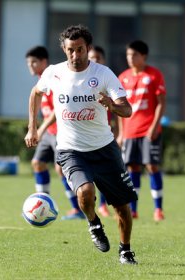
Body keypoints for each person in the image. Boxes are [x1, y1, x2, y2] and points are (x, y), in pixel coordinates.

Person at [24, 25, 138, 265]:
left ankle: (125, 250)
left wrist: (111, 104)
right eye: (70, 50)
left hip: (104, 148)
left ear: (88, 49)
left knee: (121, 207)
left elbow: (127, 109)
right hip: (70, 150)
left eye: (80, 50)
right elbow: (36, 93)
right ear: (64, 50)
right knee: (85, 192)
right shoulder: (54, 73)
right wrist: (33, 127)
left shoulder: (104, 74)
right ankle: (94, 223)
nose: (75, 55)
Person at [25, 46, 85, 221]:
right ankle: (42, 204)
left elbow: (57, 110)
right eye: (28, 63)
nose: (31, 66)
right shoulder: (40, 81)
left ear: (44, 62)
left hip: (60, 132)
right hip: (49, 133)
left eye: (34, 62)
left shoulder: (55, 78)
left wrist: (40, 128)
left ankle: (78, 209)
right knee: (37, 163)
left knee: (61, 169)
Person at [117, 40, 166, 222]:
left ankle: (158, 209)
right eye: (129, 55)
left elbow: (161, 103)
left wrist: (154, 126)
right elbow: (119, 109)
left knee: (152, 166)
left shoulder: (154, 75)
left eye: (134, 55)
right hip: (130, 131)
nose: (130, 58)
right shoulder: (123, 77)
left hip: (148, 130)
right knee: (132, 168)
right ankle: (133, 209)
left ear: (143, 56)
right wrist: (121, 133)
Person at [88, 46, 111, 218]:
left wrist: (120, 132)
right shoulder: (81, 82)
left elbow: (119, 111)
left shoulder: (107, 80)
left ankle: (103, 204)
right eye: (91, 58)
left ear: (102, 60)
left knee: (105, 173)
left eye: (97, 58)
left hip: (107, 135)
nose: (94, 61)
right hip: (87, 136)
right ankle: (96, 205)